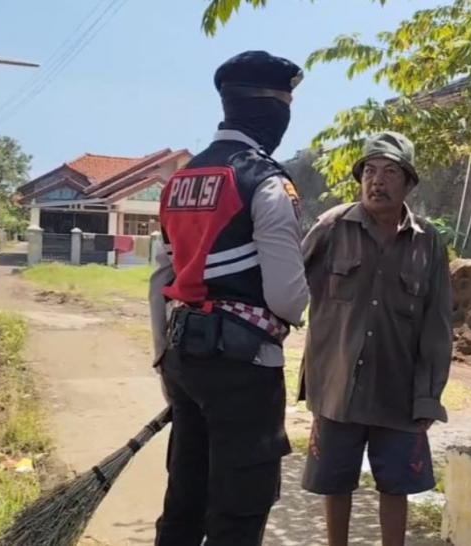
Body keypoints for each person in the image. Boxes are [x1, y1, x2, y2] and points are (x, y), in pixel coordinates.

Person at [148, 50, 309, 546]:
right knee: (238, 509)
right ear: (272, 111)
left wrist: (162, 358)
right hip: (244, 368)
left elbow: (162, 279)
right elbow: (287, 299)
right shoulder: (267, 181)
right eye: (286, 106)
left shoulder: (179, 180)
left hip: (183, 358)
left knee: (185, 499)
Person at [298, 131, 453, 546]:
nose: (376, 181)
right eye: (369, 171)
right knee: (335, 483)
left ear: (408, 183)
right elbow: (289, 289)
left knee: (397, 486)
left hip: (398, 390)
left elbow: (437, 325)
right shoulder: (331, 228)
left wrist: (429, 394)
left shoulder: (428, 243)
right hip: (338, 386)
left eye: (389, 172)